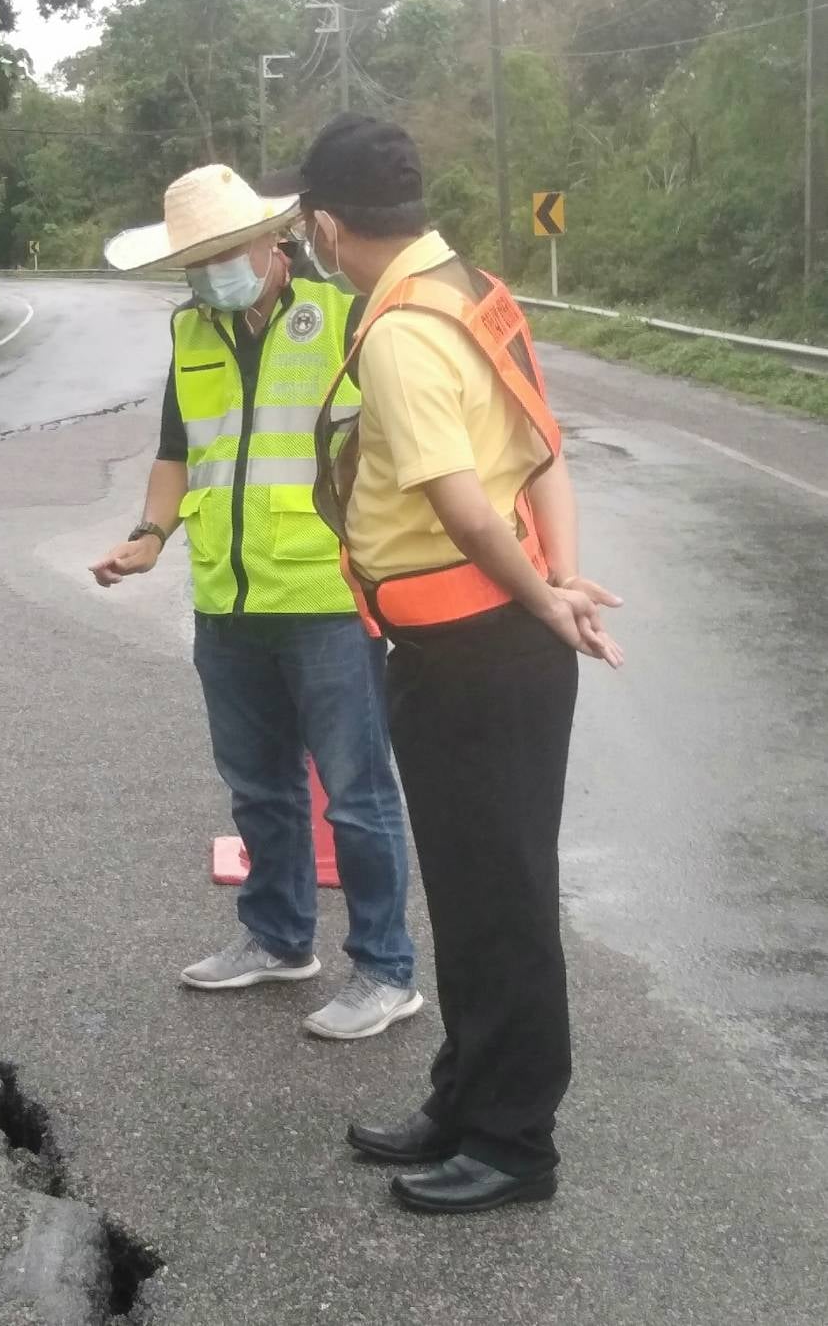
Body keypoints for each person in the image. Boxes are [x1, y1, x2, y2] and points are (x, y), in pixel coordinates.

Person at [263, 114, 623, 1209]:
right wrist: (561, 579)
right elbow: (544, 453)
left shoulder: (400, 330)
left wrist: (544, 601)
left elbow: (464, 506)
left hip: (474, 651)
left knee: (499, 901)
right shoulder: (473, 289)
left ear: (327, 226)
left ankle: (513, 1144)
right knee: (474, 894)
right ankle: (464, 1097)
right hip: (479, 644)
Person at [91, 163, 420, 1040]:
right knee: (259, 788)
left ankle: (386, 970)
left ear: (276, 240)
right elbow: (176, 451)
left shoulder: (345, 314)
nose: (211, 272)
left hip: (326, 597)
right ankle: (277, 938)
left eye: (225, 252)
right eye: (195, 260)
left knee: (356, 796)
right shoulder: (190, 330)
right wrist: (150, 533)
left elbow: (401, 440)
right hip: (227, 600)